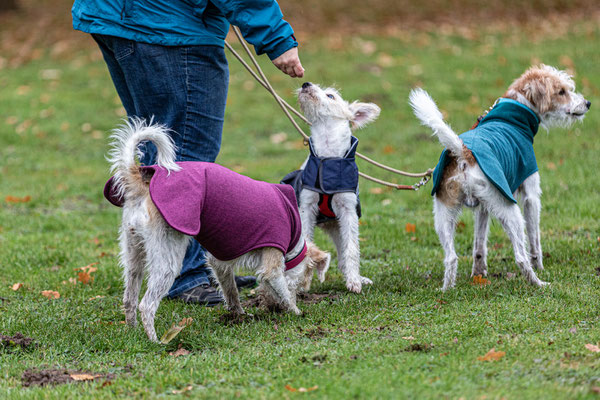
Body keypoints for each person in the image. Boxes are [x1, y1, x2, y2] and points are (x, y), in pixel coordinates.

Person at [72, 0, 305, 305]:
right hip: (167, 24)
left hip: (122, 15)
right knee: (187, 157)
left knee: (160, 148)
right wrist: (274, 35)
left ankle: (181, 265)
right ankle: (182, 274)